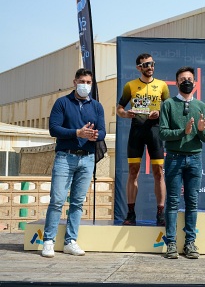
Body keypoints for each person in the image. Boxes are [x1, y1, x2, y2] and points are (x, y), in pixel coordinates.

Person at [41, 68, 106, 258]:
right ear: (74, 82)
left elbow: (102, 131)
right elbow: (54, 129)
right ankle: (48, 241)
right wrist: (77, 132)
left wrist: (94, 135)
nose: (85, 85)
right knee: (57, 200)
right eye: (82, 81)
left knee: (77, 202)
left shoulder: (96, 106)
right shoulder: (62, 103)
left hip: (87, 158)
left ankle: (70, 241)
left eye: (88, 82)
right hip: (65, 157)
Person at [159, 66, 205, 259]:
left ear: (195, 83)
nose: (186, 81)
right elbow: (163, 133)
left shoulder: (201, 106)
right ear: (177, 82)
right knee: (172, 202)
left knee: (192, 201)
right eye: (182, 79)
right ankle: (171, 243)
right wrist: (183, 132)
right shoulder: (168, 105)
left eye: (189, 78)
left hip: (195, 158)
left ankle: (190, 242)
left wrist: (199, 129)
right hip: (173, 158)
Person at [117, 53, 170, 226]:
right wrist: (125, 114)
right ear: (139, 67)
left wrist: (160, 113)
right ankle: (131, 213)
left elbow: (169, 109)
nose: (150, 67)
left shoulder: (161, 85)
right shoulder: (130, 86)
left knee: (159, 172)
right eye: (146, 65)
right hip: (137, 131)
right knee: (133, 172)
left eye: (152, 64)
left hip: (155, 131)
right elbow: (119, 109)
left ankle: (160, 213)